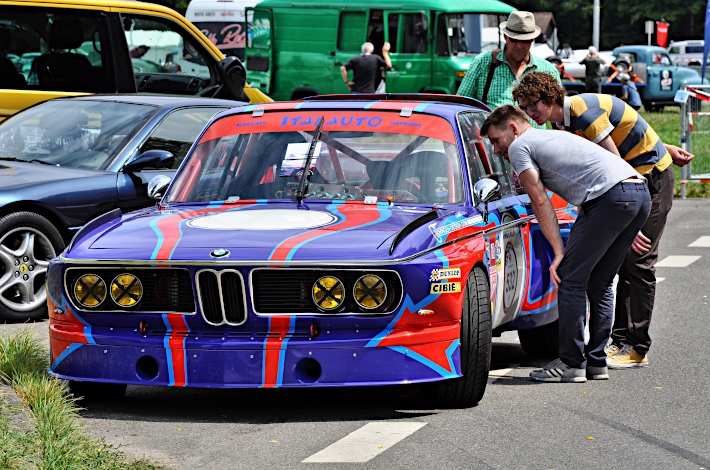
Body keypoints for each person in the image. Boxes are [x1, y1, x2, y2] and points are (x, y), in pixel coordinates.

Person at [512, 71, 695, 369]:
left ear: (549, 99)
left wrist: (629, 218)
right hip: (634, 180)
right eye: (524, 108)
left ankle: (637, 346)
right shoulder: (563, 122)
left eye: (532, 106)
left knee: (639, 261)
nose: (530, 114)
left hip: (647, 179)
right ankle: (619, 341)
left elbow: (615, 166)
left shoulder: (581, 113)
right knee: (620, 262)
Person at [482, 105, 651, 382]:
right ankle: (596, 363)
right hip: (638, 192)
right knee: (601, 282)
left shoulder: (520, 145)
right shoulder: (549, 137)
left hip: (609, 197)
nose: (497, 150)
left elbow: (539, 201)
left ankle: (572, 364)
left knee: (570, 279)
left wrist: (559, 254)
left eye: (496, 140)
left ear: (512, 129)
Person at [456, 11, 561, 130]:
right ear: (505, 37)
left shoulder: (548, 70)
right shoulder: (482, 63)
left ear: (532, 40)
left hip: (533, 145)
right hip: (492, 145)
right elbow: (460, 107)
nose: (519, 46)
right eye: (514, 39)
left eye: (525, 41)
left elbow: (558, 117)